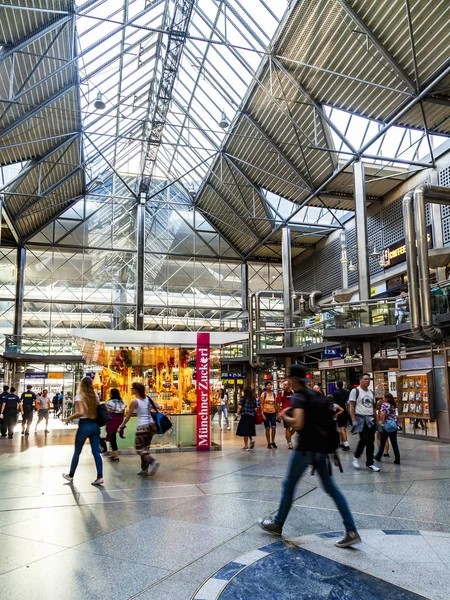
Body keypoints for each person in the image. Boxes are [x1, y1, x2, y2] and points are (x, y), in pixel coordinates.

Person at [259, 364, 361, 548]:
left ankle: (277, 523)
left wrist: (284, 415)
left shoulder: (298, 397)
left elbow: (298, 423)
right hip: (321, 450)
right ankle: (351, 530)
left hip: (305, 449)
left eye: (289, 377)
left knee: (289, 485)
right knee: (331, 488)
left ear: (294, 379)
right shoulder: (316, 395)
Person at [62, 376, 103, 486]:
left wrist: (69, 418)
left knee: (77, 452)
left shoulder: (79, 396)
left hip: (84, 425)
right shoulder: (95, 396)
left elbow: (81, 412)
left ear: (81, 385)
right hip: (95, 425)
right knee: (96, 452)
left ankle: (70, 475)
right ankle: (100, 476)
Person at [118, 382, 159, 476]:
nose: (131, 390)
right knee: (145, 449)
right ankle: (144, 469)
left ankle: (153, 462)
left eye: (132, 388)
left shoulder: (134, 401)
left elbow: (128, 416)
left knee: (139, 448)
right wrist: (149, 407)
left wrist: (121, 426)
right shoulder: (147, 398)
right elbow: (157, 406)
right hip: (151, 426)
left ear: (136, 390)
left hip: (142, 426)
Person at [349, 373, 380, 472]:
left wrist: (377, 420)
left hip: (370, 419)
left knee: (370, 442)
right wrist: (353, 420)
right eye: (365, 379)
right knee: (364, 439)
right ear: (360, 380)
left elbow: (373, 408)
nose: (368, 381)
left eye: (369, 379)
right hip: (360, 419)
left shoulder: (371, 392)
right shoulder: (355, 391)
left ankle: (370, 463)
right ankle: (356, 457)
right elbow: (351, 406)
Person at [375, 393, 400, 465]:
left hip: (387, 425)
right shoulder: (393, 405)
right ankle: (397, 459)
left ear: (387, 398)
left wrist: (382, 423)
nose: (383, 398)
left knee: (382, 441)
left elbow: (383, 414)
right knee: (394, 443)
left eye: (384, 397)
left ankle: (378, 456)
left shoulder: (385, 404)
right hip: (393, 425)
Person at [105, 388, 127, 462]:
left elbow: (107, 412)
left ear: (111, 394)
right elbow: (124, 412)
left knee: (112, 437)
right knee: (113, 436)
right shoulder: (122, 402)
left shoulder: (110, 402)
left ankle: (116, 456)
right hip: (120, 419)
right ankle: (113, 455)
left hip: (112, 419)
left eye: (110, 393)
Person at [236, 386, 257, 451]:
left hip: (245, 416)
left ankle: (246, 446)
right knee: (249, 430)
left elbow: (240, 407)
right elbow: (255, 408)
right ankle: (251, 440)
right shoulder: (253, 398)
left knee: (245, 432)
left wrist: (237, 414)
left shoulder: (243, 398)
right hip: (251, 417)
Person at [332, 381, 350, 451]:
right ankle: (343, 442)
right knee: (344, 428)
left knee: (341, 428)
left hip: (338, 411)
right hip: (344, 410)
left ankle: (346, 444)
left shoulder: (335, 393)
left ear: (337, 385)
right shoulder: (346, 392)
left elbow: (334, 403)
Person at [261, 381, 278, 449]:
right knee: (267, 428)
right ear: (266, 386)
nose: (269, 386)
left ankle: (273, 441)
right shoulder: (263, 394)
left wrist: (277, 413)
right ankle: (268, 442)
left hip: (273, 412)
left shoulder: (274, 394)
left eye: (270, 385)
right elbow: (261, 404)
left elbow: (275, 404)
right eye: (268, 385)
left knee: (273, 427)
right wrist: (262, 414)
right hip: (266, 412)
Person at [278, 380, 294, 449]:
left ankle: (288, 436)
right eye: (283, 385)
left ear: (289, 385)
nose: (284, 386)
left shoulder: (293, 392)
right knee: (287, 427)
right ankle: (289, 443)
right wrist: (279, 412)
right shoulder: (281, 393)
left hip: (293, 412)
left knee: (295, 427)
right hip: (285, 413)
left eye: (285, 385)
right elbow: (278, 403)